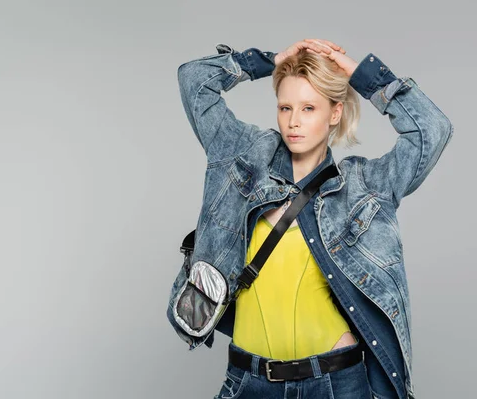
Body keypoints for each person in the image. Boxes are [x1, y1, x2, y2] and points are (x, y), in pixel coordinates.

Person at [166, 38, 453, 399]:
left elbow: (432, 130)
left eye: (308, 108)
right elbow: (194, 79)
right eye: (285, 107)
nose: (294, 122)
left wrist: (362, 75)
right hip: (249, 380)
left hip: (336, 381)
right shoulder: (243, 155)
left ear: (334, 113)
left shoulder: (363, 187)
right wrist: (271, 61)